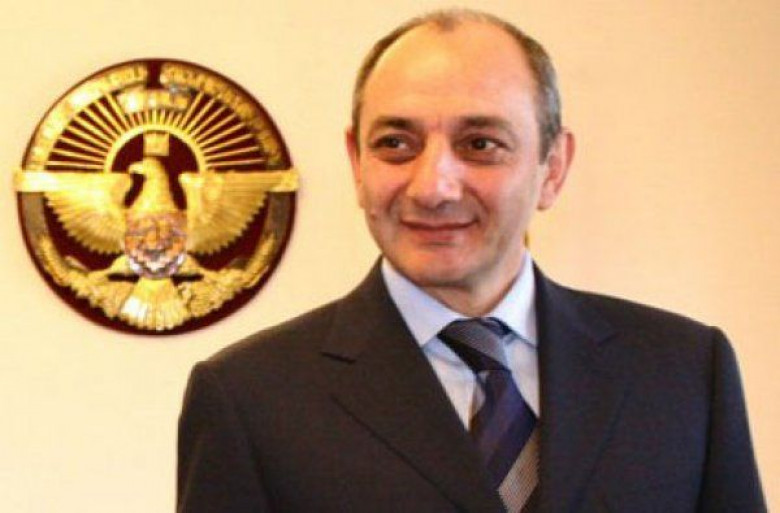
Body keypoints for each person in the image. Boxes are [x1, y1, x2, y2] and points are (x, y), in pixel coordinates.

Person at [177, 9, 766, 513]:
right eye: (395, 144)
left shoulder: (684, 371)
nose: (433, 186)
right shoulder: (249, 400)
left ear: (553, 168)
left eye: (480, 144)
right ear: (357, 163)